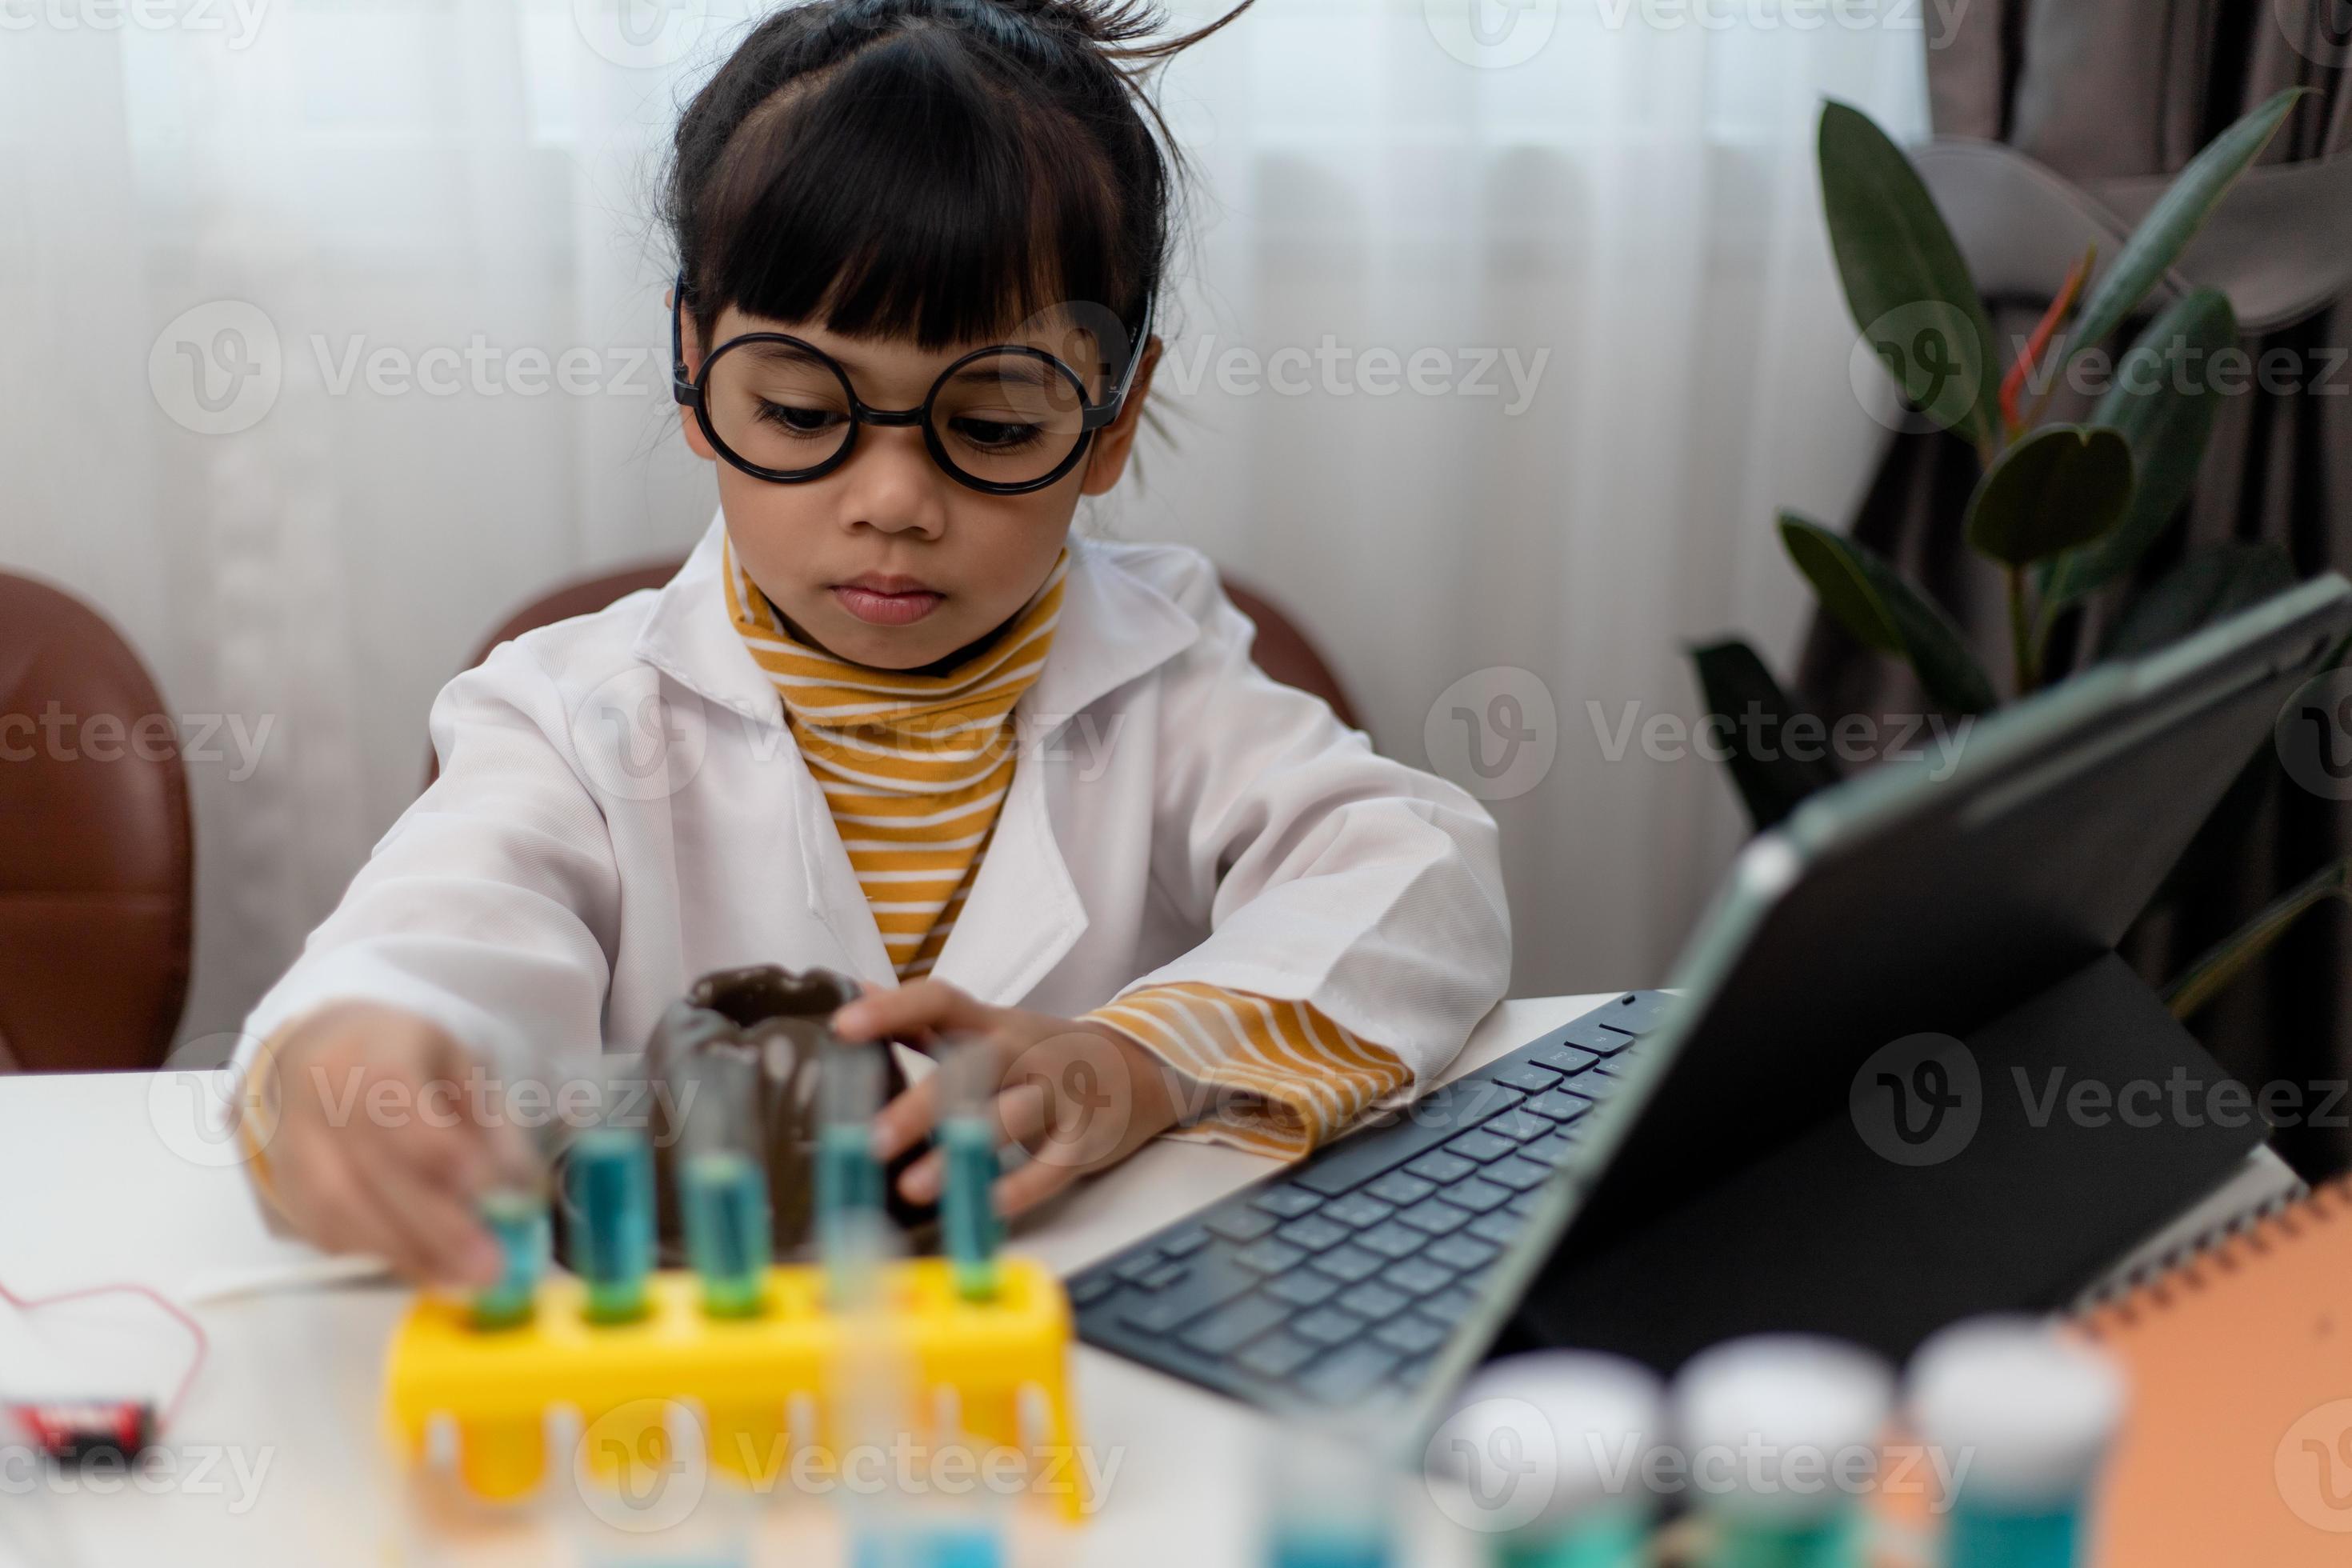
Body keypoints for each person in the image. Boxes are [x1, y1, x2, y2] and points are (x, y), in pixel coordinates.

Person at [234, 0, 1511, 1286]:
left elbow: (1420, 876)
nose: (894, 501)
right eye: (797, 409)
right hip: (700, 1367)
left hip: (1074, 1342)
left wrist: (1139, 1060)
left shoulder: (1170, 673)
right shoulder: (571, 717)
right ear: (693, 362)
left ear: (1115, 414)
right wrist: (350, 1054)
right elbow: (445, 928)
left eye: (999, 425)